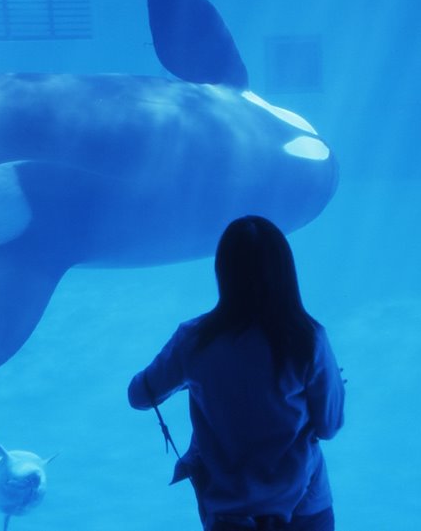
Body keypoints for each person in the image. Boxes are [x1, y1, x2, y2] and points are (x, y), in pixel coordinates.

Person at [128, 215, 345, 531]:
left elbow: (139, 395)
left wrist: (192, 379)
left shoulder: (194, 339)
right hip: (305, 508)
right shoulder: (308, 339)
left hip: (229, 514)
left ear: (223, 272)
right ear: (285, 272)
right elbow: (329, 427)